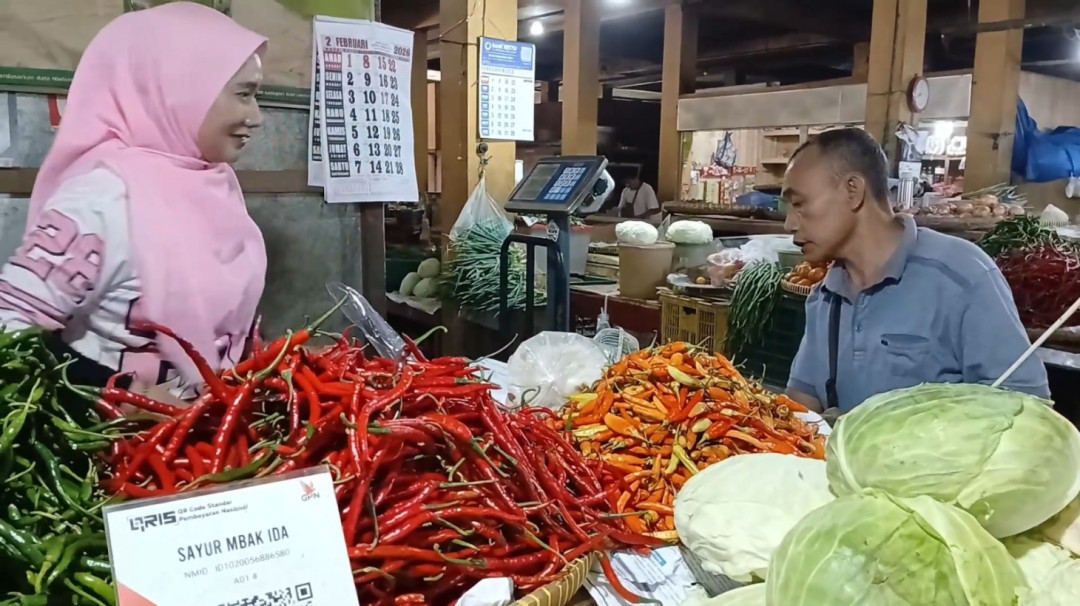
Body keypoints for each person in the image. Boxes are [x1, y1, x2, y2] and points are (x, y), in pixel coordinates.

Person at [0, 2, 268, 402]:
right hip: (116, 450)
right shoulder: (103, 200)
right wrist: (117, 397)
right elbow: (9, 330)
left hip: (206, 441)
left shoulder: (213, 184)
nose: (257, 116)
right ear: (178, 89)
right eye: (243, 94)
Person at [781, 128, 1048, 414]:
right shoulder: (825, 296)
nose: (789, 224)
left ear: (853, 191)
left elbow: (1026, 405)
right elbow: (800, 407)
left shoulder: (962, 276)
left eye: (799, 204)